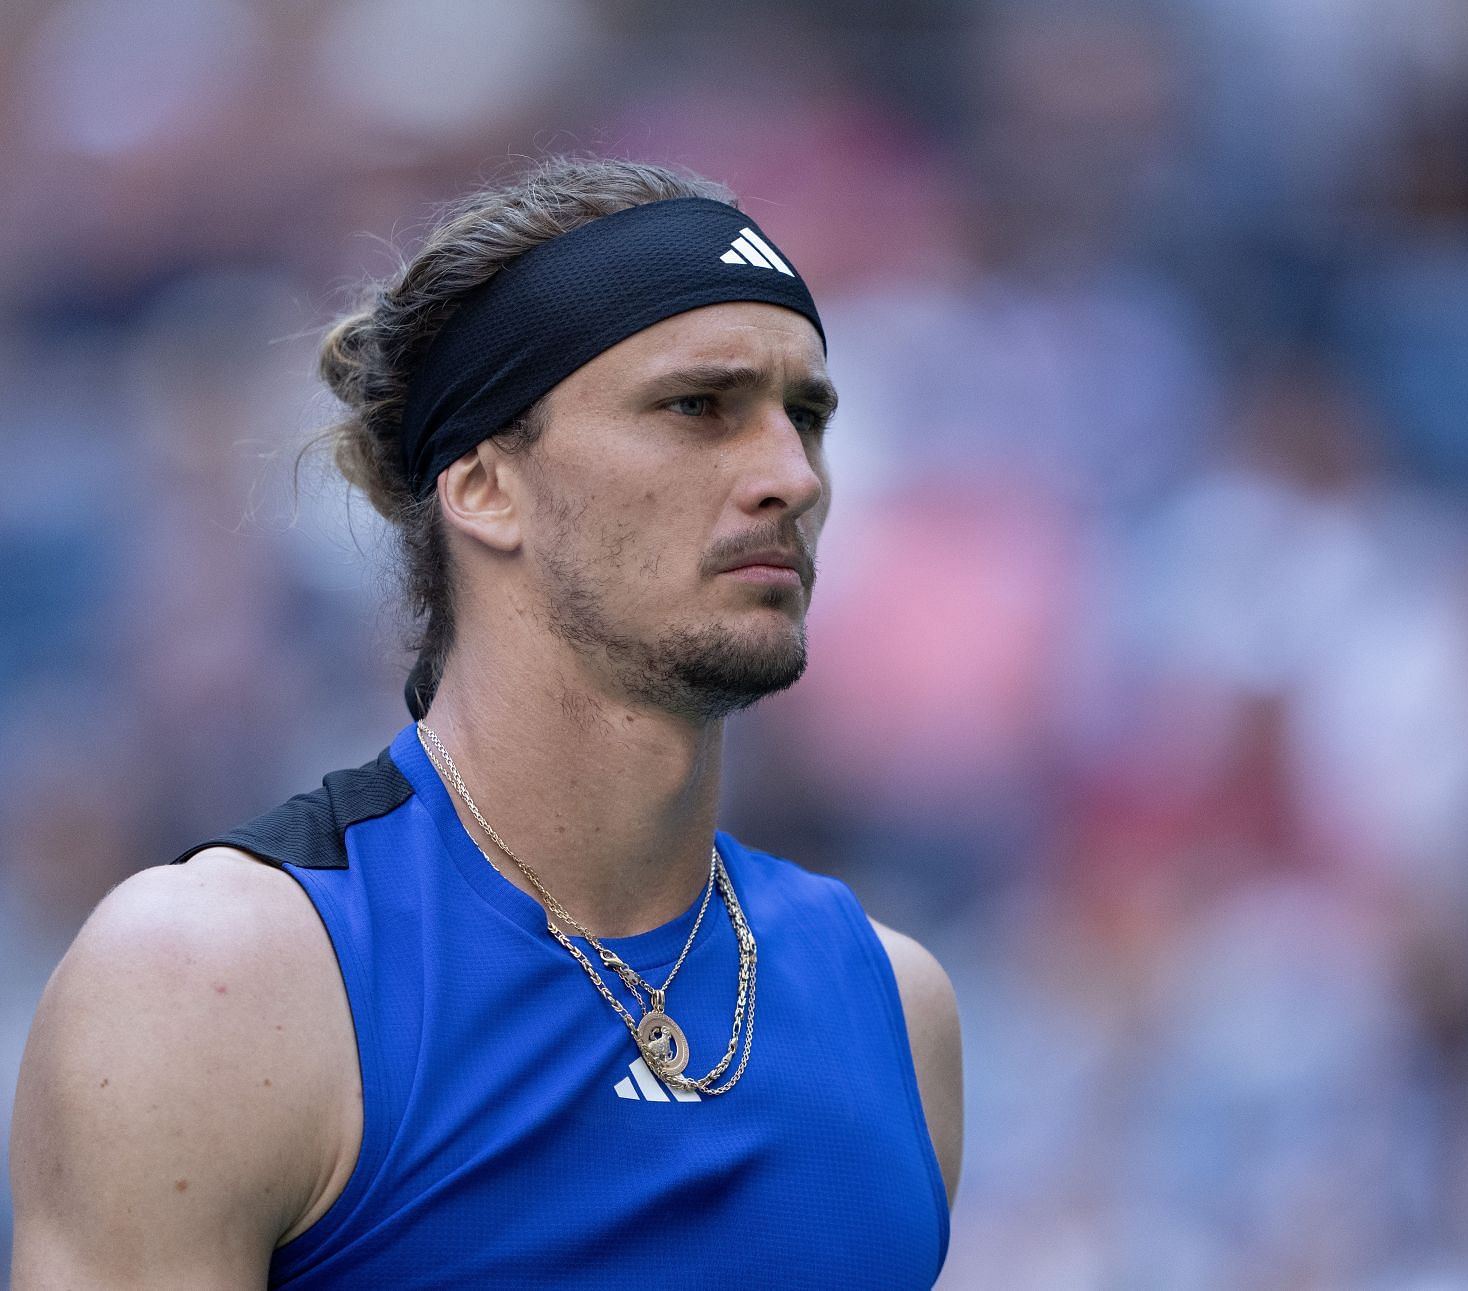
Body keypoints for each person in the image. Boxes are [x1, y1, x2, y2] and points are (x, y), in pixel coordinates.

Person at [9, 157, 961, 1289]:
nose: (790, 475)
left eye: (804, 415)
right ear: (483, 486)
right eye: (699, 407)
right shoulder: (215, 983)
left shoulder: (896, 1007)